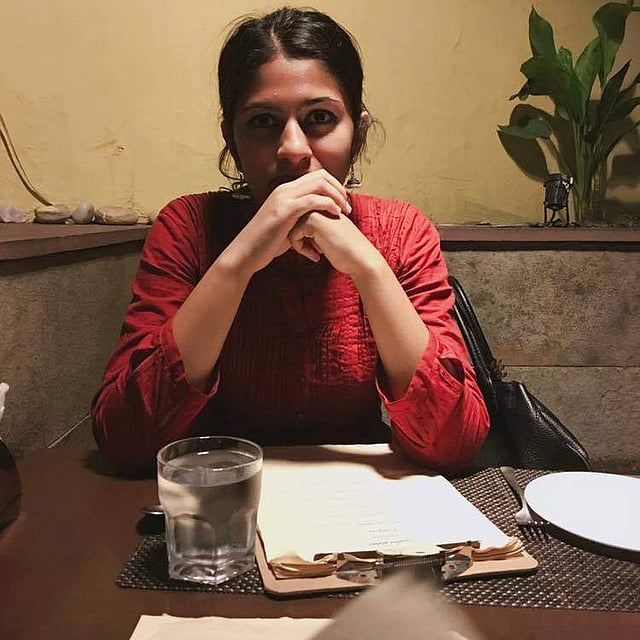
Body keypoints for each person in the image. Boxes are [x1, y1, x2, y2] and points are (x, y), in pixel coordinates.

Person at [91, 7, 489, 475]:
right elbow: (124, 440)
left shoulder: (402, 230)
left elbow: (455, 442)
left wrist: (368, 268)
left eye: (320, 118)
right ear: (231, 137)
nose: (294, 149)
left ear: (357, 133)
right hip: (221, 487)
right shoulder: (188, 225)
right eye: (263, 121)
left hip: (358, 495)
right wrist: (238, 262)